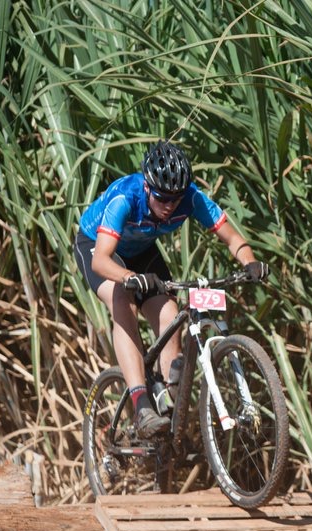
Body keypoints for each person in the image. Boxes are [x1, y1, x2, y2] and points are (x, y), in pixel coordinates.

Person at [74, 139, 269, 438]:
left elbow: (232, 238)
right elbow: (101, 261)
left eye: (175, 199)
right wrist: (128, 276)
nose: (169, 206)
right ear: (148, 188)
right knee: (122, 300)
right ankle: (141, 407)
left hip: (141, 251)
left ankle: (167, 400)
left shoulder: (191, 198)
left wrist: (250, 263)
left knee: (169, 312)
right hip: (97, 247)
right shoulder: (125, 198)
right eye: (162, 198)